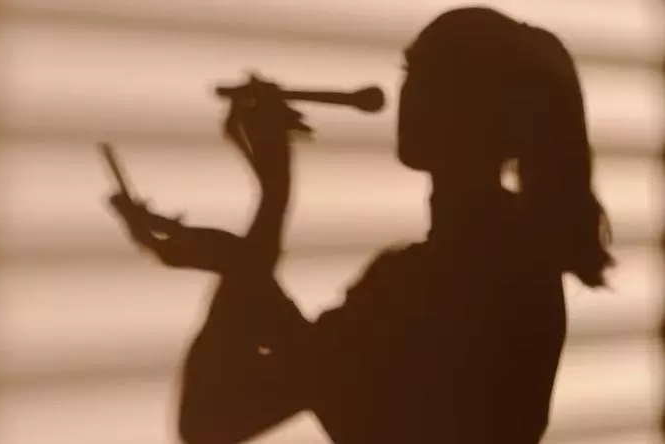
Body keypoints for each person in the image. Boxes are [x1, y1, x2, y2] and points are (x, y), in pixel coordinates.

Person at [109, 7, 613, 443]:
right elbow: (217, 416)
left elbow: (253, 408)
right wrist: (258, 227)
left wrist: (253, 241)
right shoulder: (487, 268)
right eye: (410, 70)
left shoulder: (461, 278)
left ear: (490, 112)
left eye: (436, 77)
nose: (409, 92)